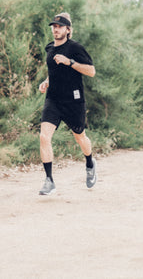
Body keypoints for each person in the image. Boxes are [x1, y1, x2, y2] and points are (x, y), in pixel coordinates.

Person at [38, 12, 96, 195]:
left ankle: (90, 162)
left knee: (80, 137)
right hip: (53, 99)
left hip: (73, 101)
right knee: (44, 137)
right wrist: (46, 81)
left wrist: (69, 62)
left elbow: (91, 71)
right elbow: (54, 70)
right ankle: (49, 181)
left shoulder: (75, 48)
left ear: (68, 30)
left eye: (60, 26)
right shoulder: (50, 48)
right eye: (54, 26)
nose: (56, 29)